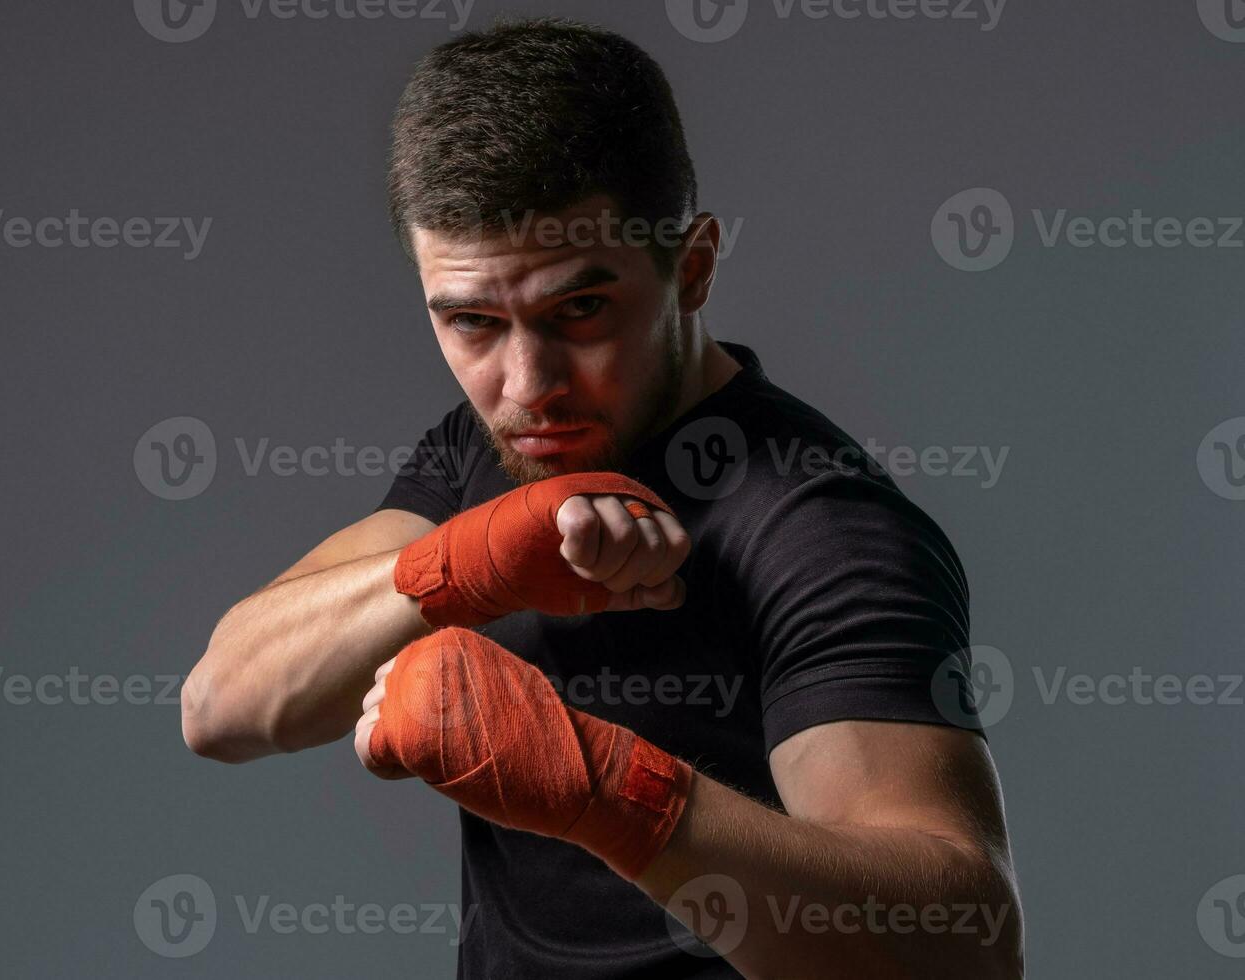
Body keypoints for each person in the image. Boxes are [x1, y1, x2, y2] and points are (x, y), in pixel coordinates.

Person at [183, 16, 1023, 978]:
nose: (526, 383)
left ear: (693, 267)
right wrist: (461, 565)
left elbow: (966, 953)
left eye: (579, 310)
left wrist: (610, 791)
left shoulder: (817, 529)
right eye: (471, 322)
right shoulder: (490, 449)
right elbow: (220, 705)